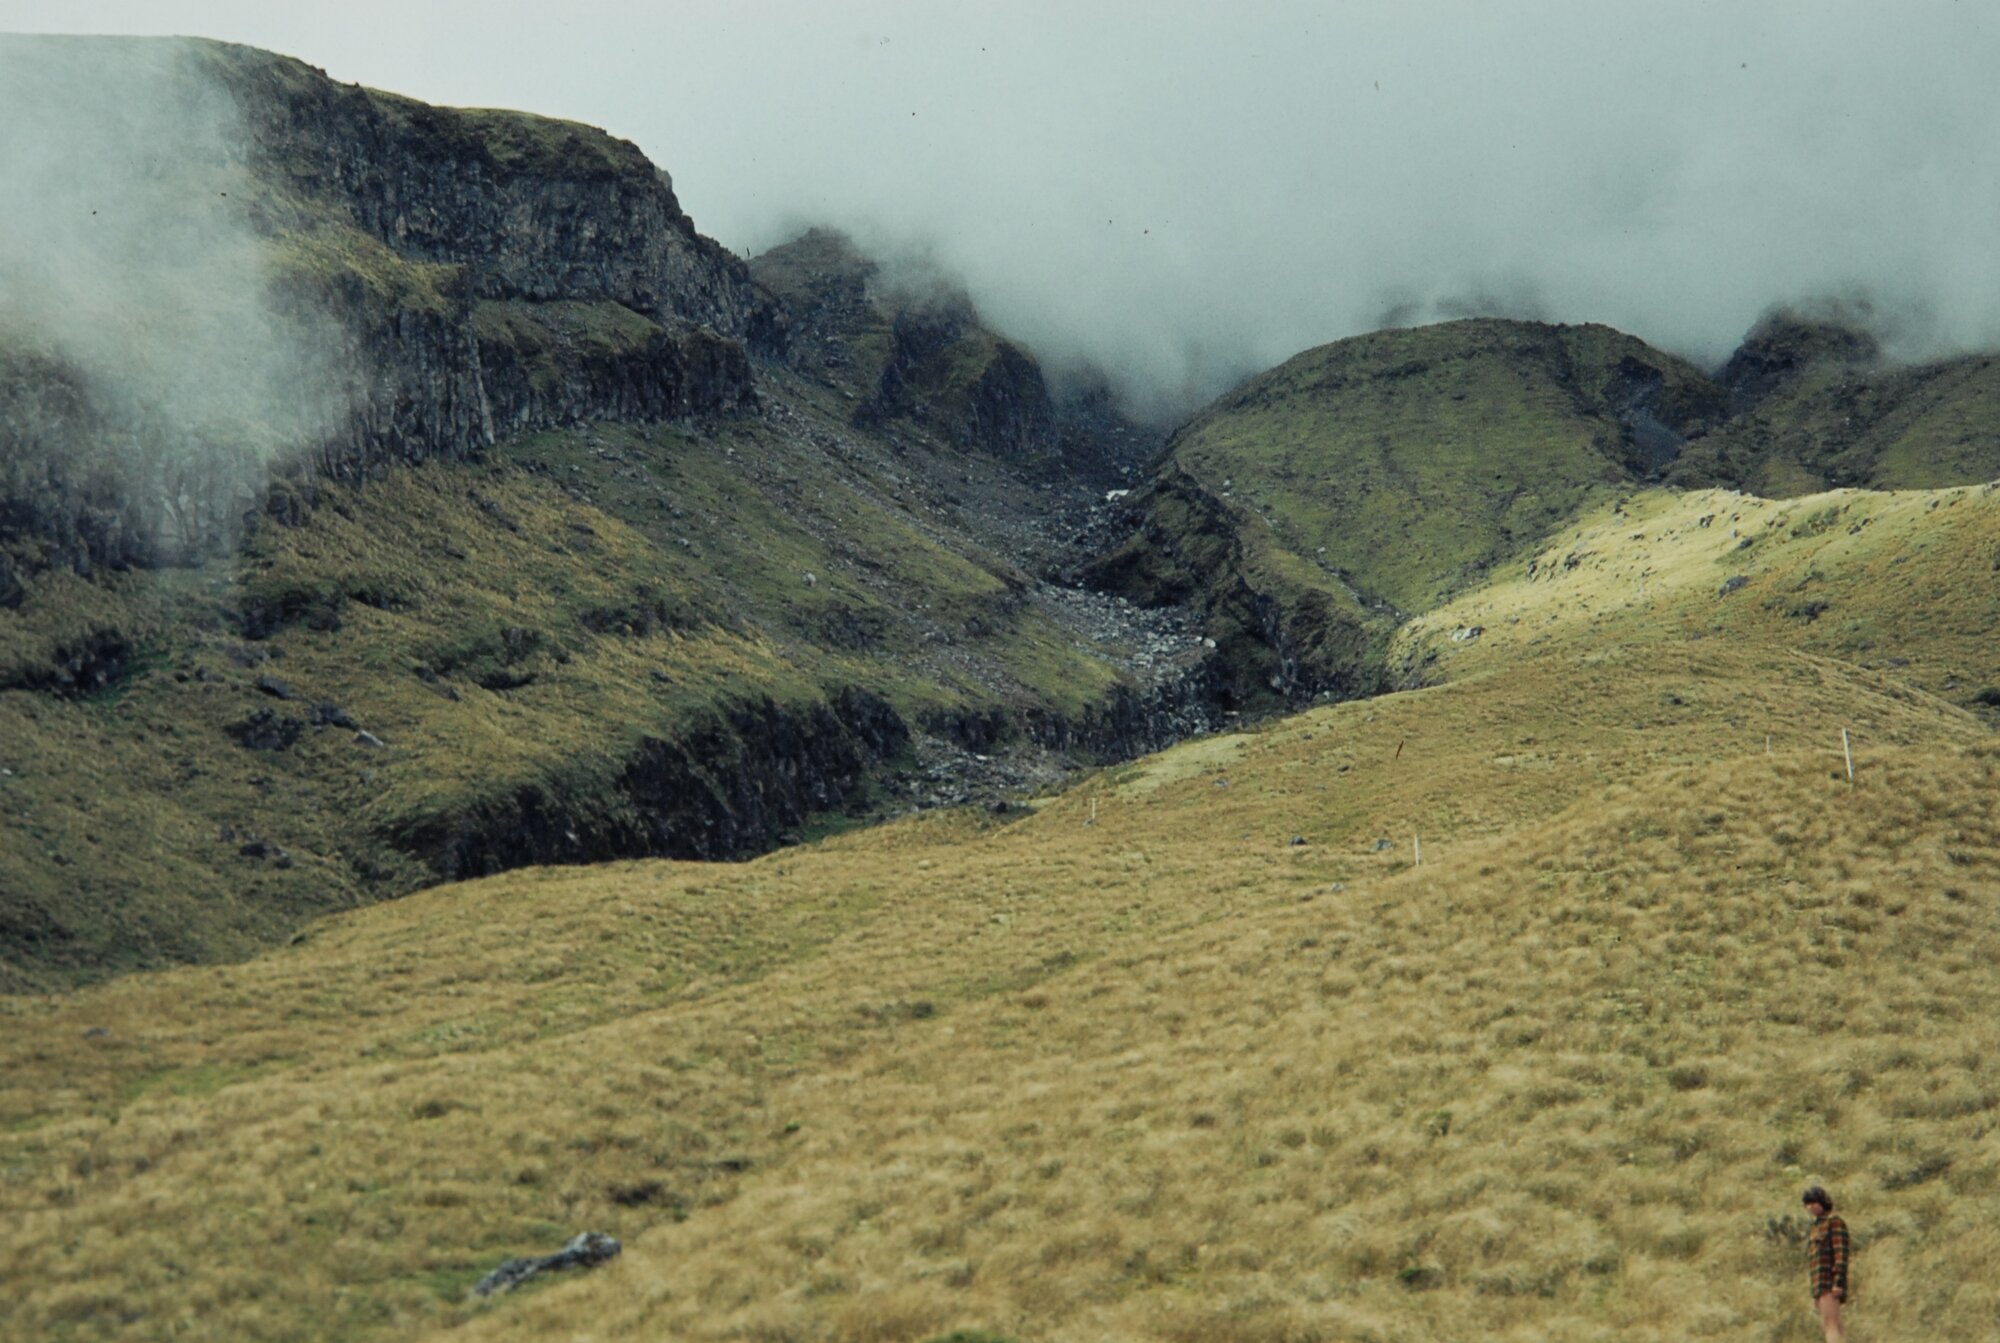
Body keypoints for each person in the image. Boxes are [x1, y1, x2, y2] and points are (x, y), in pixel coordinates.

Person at [1802, 1185, 1849, 1342]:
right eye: (1807, 1204)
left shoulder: (1834, 1222)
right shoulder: (1815, 1227)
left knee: (1830, 1324)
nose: (1810, 1207)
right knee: (1832, 1324)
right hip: (1819, 1284)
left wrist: (1838, 1282)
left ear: (1822, 1201)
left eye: (1813, 1202)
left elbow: (1841, 1254)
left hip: (1830, 1282)